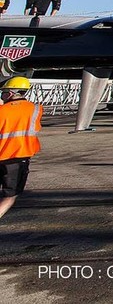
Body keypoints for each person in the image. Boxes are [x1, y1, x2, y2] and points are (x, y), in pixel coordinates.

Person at [0, 76, 43, 222]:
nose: (2, 95)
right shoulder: (36, 109)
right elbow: (35, 128)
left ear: (11, 93)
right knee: (9, 197)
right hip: (18, 160)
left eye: (4, 92)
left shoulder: (1, 110)